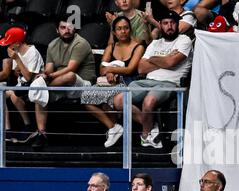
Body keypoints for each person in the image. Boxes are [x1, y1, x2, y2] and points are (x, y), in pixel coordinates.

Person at [113, 10, 192, 148]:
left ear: (177, 25)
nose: (170, 26)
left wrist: (154, 60)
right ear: (160, 25)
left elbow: (171, 63)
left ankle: (145, 136)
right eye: (166, 23)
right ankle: (151, 124)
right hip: (147, 81)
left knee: (149, 101)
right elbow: (141, 68)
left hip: (170, 83)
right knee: (118, 100)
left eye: (173, 23)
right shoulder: (155, 43)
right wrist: (165, 59)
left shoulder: (184, 40)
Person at [31, 15, 96, 150]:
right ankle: (41, 133)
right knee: (40, 94)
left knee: (69, 76)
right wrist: (46, 74)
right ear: (57, 30)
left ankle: (43, 87)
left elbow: (71, 68)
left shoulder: (81, 43)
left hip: (82, 85)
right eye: (63, 27)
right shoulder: (52, 45)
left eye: (70, 27)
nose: (67, 30)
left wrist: (48, 78)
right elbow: (49, 68)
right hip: (60, 84)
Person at [81, 16, 145, 148]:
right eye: (119, 29)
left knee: (107, 100)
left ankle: (123, 135)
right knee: (86, 96)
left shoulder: (138, 46)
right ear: (114, 32)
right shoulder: (111, 47)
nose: (123, 31)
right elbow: (101, 69)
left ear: (130, 30)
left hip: (128, 82)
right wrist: (109, 72)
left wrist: (110, 69)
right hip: (110, 82)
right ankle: (113, 127)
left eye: (126, 28)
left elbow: (130, 69)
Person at [0, 26, 43, 143]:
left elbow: (29, 78)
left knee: (14, 94)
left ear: (17, 43)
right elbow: (17, 73)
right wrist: (17, 69)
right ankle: (7, 131)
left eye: (10, 43)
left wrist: (17, 59)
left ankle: (29, 126)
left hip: (34, 87)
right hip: (21, 86)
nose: (8, 46)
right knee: (1, 93)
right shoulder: (17, 52)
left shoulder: (32, 52)